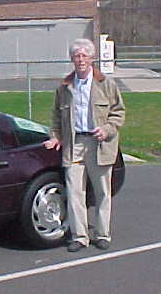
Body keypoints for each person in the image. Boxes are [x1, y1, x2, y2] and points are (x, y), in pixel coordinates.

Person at [44, 38, 125, 252]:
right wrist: (55, 137)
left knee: (102, 192)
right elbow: (56, 117)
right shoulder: (65, 86)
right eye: (76, 56)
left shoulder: (105, 83)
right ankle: (79, 237)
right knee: (74, 192)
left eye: (84, 56)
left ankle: (102, 234)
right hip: (74, 144)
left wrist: (106, 129)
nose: (80, 60)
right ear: (72, 59)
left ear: (91, 58)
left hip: (99, 145)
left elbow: (118, 113)